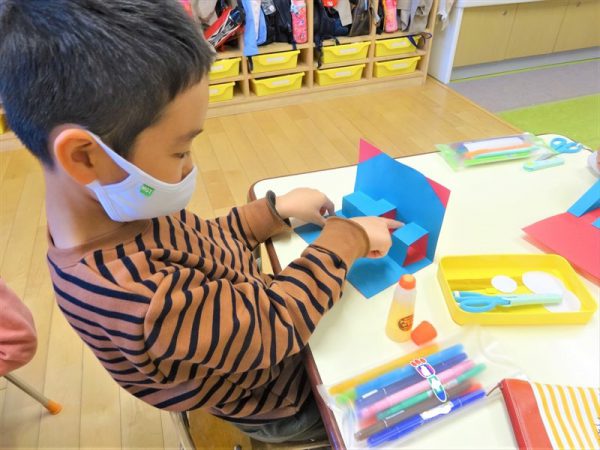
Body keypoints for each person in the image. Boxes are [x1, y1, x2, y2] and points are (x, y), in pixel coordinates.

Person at [0, 0, 400, 443]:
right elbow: (275, 323)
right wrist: (349, 237)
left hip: (257, 330)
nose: (190, 167)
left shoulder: (118, 208)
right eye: (179, 151)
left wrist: (271, 212)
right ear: (84, 157)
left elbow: (204, 246)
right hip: (283, 397)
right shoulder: (138, 299)